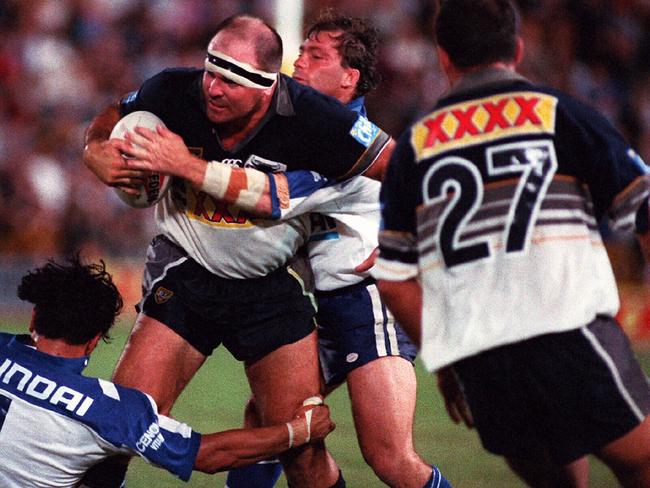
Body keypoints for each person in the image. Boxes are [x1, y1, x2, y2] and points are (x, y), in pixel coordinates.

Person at [82, 14, 395, 488]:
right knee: (115, 433)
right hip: (187, 274)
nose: (213, 88)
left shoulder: (316, 117)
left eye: (231, 79)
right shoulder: (172, 90)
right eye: (210, 71)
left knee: (303, 455)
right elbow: (116, 112)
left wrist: (407, 234)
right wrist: (94, 148)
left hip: (270, 285)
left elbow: (400, 165)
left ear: (267, 85)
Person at [373, 0, 650, 487]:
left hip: (482, 359)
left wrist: (449, 363)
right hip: (569, 332)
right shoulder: (557, 114)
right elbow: (643, 208)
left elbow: (394, 282)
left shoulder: (415, 145)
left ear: (443, 58)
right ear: (517, 49)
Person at [224, 10, 449, 488]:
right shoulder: (311, 131)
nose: (298, 60)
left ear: (349, 78)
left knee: (390, 460)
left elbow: (273, 197)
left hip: (370, 302)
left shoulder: (349, 146)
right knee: (268, 425)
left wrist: (185, 167)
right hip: (331, 304)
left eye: (315, 54)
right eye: (301, 49)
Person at [0, 255, 335, 487]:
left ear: (33, 319)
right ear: (94, 340)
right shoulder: (109, 411)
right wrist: (298, 431)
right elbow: (208, 455)